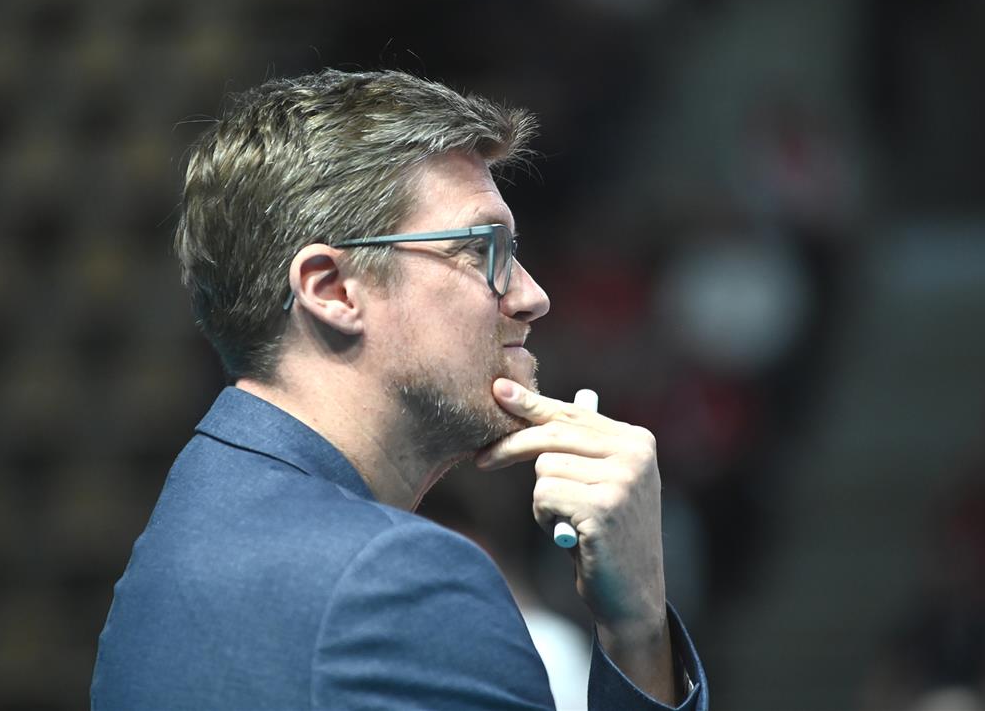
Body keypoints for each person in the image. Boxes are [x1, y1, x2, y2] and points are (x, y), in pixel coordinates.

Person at [91, 70, 708, 710]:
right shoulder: (400, 580)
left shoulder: (185, 525)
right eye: (484, 251)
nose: (533, 296)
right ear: (332, 289)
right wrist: (639, 627)